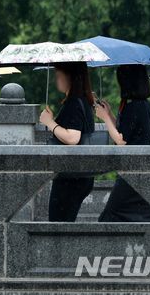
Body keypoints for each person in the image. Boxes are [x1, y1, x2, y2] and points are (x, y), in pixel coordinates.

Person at [95, 65, 150, 222]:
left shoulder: (135, 106)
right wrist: (109, 113)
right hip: (136, 167)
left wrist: (104, 118)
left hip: (131, 168)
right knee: (143, 213)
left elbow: (121, 141)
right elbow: (124, 131)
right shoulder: (141, 104)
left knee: (110, 215)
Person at [38, 62, 96, 222]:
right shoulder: (83, 101)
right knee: (64, 223)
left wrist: (49, 123)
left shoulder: (74, 102)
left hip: (71, 176)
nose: (56, 80)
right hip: (79, 175)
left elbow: (72, 137)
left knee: (58, 225)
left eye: (58, 75)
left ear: (69, 77)